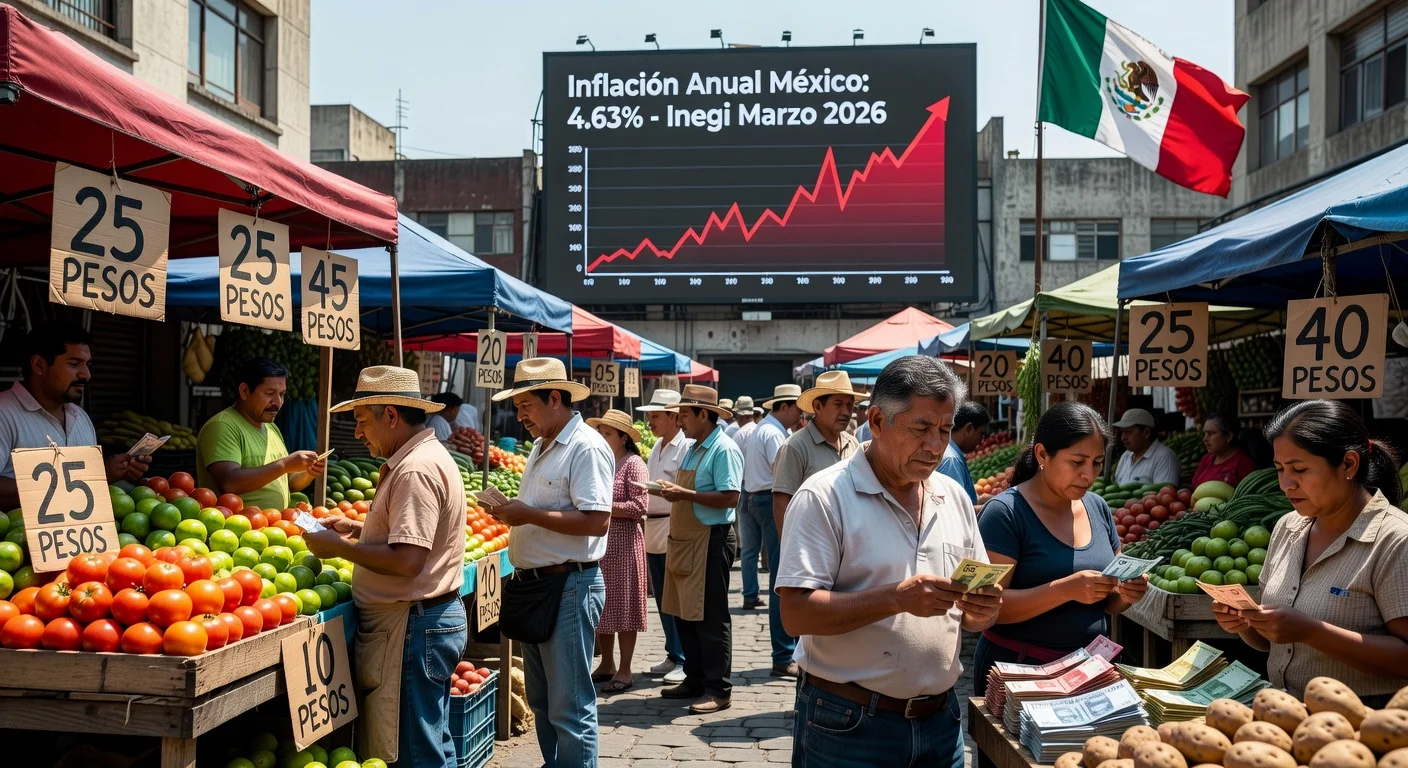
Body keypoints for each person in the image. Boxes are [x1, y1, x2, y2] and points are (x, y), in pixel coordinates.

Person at [777, 356, 1002, 768]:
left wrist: (982, 610)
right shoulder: (823, 497)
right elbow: (795, 614)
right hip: (848, 726)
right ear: (878, 422)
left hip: (941, 725)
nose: (935, 445)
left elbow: (971, 617)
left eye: (945, 430)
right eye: (921, 429)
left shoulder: (953, 497)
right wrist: (896, 600)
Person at [302, 366, 467, 766]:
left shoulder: (415, 469)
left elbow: (409, 560)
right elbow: (409, 537)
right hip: (423, 619)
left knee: (411, 751)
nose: (358, 433)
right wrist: (357, 528)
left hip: (410, 625)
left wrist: (339, 548)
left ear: (390, 416)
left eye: (362, 421)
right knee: (429, 740)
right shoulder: (420, 458)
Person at [1211, 400, 1408, 705]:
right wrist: (1245, 623)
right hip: (1284, 715)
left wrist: (1312, 631)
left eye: (1300, 470)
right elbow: (1271, 641)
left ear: (1348, 465)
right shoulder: (1288, 527)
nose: (1286, 484)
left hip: (1368, 727)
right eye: (1279, 469)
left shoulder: (1395, 539)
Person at [971, 401, 1149, 699]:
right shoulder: (1004, 513)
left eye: (1096, 462)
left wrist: (1127, 594)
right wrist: (1065, 590)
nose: (1088, 475)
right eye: (1077, 462)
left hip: (1089, 674)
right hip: (1019, 673)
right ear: (1042, 454)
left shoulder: (1098, 507)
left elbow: (1109, 601)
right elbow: (986, 609)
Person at [488, 358, 612, 766]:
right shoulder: (543, 446)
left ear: (554, 398)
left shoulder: (586, 447)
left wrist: (527, 515)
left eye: (525, 405)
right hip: (537, 587)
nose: (518, 414)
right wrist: (511, 512)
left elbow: (597, 520)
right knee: (542, 703)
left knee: (570, 708)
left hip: (570, 586)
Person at [657, 385, 744, 714]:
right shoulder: (694, 448)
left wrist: (685, 495)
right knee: (683, 613)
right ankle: (693, 678)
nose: (679, 422)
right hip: (684, 542)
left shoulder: (723, 449)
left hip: (711, 539)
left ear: (703, 415)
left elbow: (730, 497)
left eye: (684, 415)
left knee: (711, 617)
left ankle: (718, 689)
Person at [0, 323, 151, 508]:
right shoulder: (4, 413)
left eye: (88, 365)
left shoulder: (80, 417)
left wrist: (114, 472)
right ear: (39, 365)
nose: (86, 375)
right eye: (74, 364)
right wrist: (95, 476)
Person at [196, 357, 325, 512]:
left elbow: (288, 483)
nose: (278, 402)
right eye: (270, 393)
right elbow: (229, 482)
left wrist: (308, 472)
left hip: (276, 527)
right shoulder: (222, 426)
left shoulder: (271, 428)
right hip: (237, 532)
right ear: (244, 391)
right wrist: (285, 464)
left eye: (282, 394)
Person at [586, 408, 650, 694]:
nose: (602, 436)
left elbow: (639, 507)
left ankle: (625, 669)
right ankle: (607, 663)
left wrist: (604, 507)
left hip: (624, 545)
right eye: (600, 432)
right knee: (603, 607)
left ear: (623, 438)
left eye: (608, 433)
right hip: (602, 546)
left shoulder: (633, 463)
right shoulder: (602, 461)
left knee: (624, 608)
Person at [637, 389, 690, 684]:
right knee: (661, 597)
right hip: (653, 527)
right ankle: (672, 652)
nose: (650, 421)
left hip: (672, 525)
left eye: (655, 416)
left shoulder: (684, 447)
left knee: (676, 596)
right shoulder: (657, 446)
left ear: (673, 417)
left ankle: (683, 656)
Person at [773, 370, 862, 529]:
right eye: (838, 404)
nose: (846, 412)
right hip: (812, 543)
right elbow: (781, 504)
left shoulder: (853, 444)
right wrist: (789, 550)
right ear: (818, 406)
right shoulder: (795, 447)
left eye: (850, 405)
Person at [740, 384, 802, 612]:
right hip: (769, 498)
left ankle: (750, 595)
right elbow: (783, 470)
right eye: (797, 409)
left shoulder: (763, 428)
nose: (800, 415)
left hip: (753, 496)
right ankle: (781, 613)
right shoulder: (774, 433)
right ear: (784, 407)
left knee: (750, 552)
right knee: (778, 562)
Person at [1112, 408, 1179, 486]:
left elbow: (1165, 495)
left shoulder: (1164, 457)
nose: (1123, 437)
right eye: (1122, 432)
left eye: (1128, 432)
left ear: (1146, 432)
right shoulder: (1126, 456)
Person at [940, 401, 990, 504]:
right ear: (969, 429)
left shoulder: (951, 452)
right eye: (981, 434)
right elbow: (954, 510)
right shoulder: (952, 461)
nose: (982, 440)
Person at [1192, 413, 1256, 487]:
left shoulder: (1244, 464)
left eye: (1210, 433)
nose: (1205, 439)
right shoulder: (1206, 459)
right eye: (1204, 434)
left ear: (1228, 436)